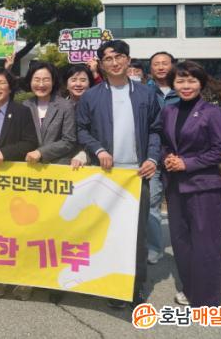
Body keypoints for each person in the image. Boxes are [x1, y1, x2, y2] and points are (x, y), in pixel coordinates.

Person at [76, 40, 161, 308]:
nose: (114, 63)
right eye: (108, 59)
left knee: (136, 234)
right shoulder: (91, 96)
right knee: (106, 231)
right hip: (105, 175)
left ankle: (134, 287)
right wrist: (99, 149)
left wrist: (152, 158)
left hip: (137, 175)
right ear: (101, 64)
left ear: (128, 59)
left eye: (119, 57)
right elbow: (81, 130)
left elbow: (156, 129)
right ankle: (109, 284)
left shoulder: (146, 94)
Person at [160, 61, 221, 307]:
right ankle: (190, 289)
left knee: (206, 243)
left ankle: (208, 299)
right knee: (181, 241)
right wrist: (167, 157)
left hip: (203, 187)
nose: (186, 86)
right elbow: (165, 142)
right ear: (173, 84)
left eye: (192, 80)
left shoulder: (212, 112)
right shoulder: (169, 111)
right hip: (175, 186)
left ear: (201, 83)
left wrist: (187, 163)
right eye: (180, 81)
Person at [0, 67, 38, 299]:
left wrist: (6, 152)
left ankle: (23, 281)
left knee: (17, 231)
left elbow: (30, 142)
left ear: (10, 87)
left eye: (2, 83)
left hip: (12, 178)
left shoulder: (21, 111)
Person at [18, 62, 77, 302]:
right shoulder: (24, 106)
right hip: (29, 175)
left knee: (54, 230)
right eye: (36, 79)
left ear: (53, 82)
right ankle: (28, 278)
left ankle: (55, 281)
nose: (41, 84)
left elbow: (69, 140)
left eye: (45, 79)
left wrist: (42, 153)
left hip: (56, 173)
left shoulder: (65, 106)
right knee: (30, 229)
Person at [145, 51, 180, 266]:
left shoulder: (184, 89)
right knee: (152, 204)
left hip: (179, 157)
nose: (160, 67)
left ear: (173, 65)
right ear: (150, 68)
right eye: (156, 64)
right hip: (154, 156)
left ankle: (186, 247)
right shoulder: (143, 91)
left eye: (164, 63)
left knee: (181, 205)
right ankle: (154, 248)